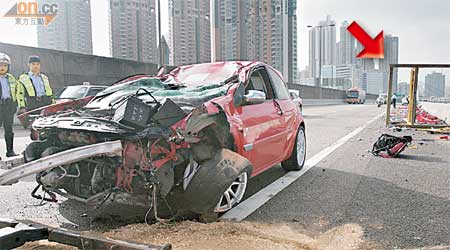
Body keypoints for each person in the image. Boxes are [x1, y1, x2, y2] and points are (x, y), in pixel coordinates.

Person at [0, 53, 25, 159]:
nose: (2, 67)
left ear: (8, 67)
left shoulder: (11, 78)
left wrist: (17, 105)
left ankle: (10, 151)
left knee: (9, 130)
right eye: (0, 65)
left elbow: (18, 92)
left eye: (5, 65)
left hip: (8, 106)